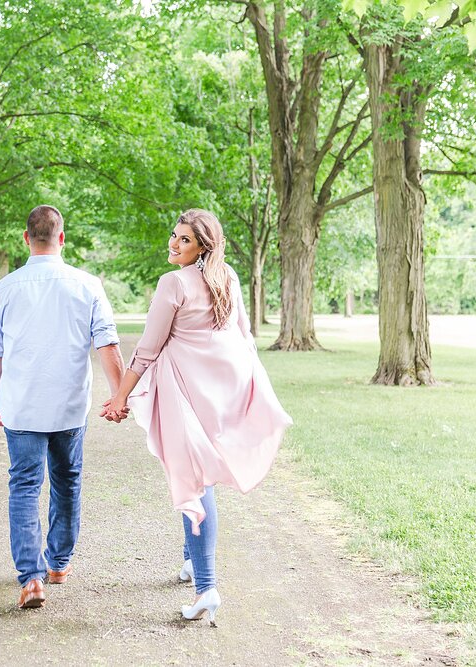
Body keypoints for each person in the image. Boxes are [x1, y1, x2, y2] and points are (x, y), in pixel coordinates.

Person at [102, 208, 292, 625]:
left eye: (185, 239)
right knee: (196, 472)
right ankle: (192, 562)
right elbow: (243, 336)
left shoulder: (173, 283)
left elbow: (147, 350)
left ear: (203, 247)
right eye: (174, 235)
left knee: (195, 480)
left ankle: (207, 587)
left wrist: (119, 398)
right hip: (222, 388)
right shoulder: (228, 279)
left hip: (187, 392)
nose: (174, 243)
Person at [0, 205, 128, 610]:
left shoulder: (6, 288)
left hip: (22, 406)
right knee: (67, 482)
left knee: (25, 486)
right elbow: (107, 344)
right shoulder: (87, 285)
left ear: (26, 239)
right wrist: (119, 396)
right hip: (68, 407)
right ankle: (59, 563)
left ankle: (31, 578)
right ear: (62, 238)